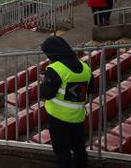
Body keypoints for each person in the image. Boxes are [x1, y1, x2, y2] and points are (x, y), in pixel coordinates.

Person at [40, 36, 91, 168]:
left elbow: (46, 94)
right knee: (79, 149)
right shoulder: (85, 68)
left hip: (59, 119)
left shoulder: (55, 69)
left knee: (62, 152)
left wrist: (43, 82)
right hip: (78, 118)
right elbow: (89, 90)